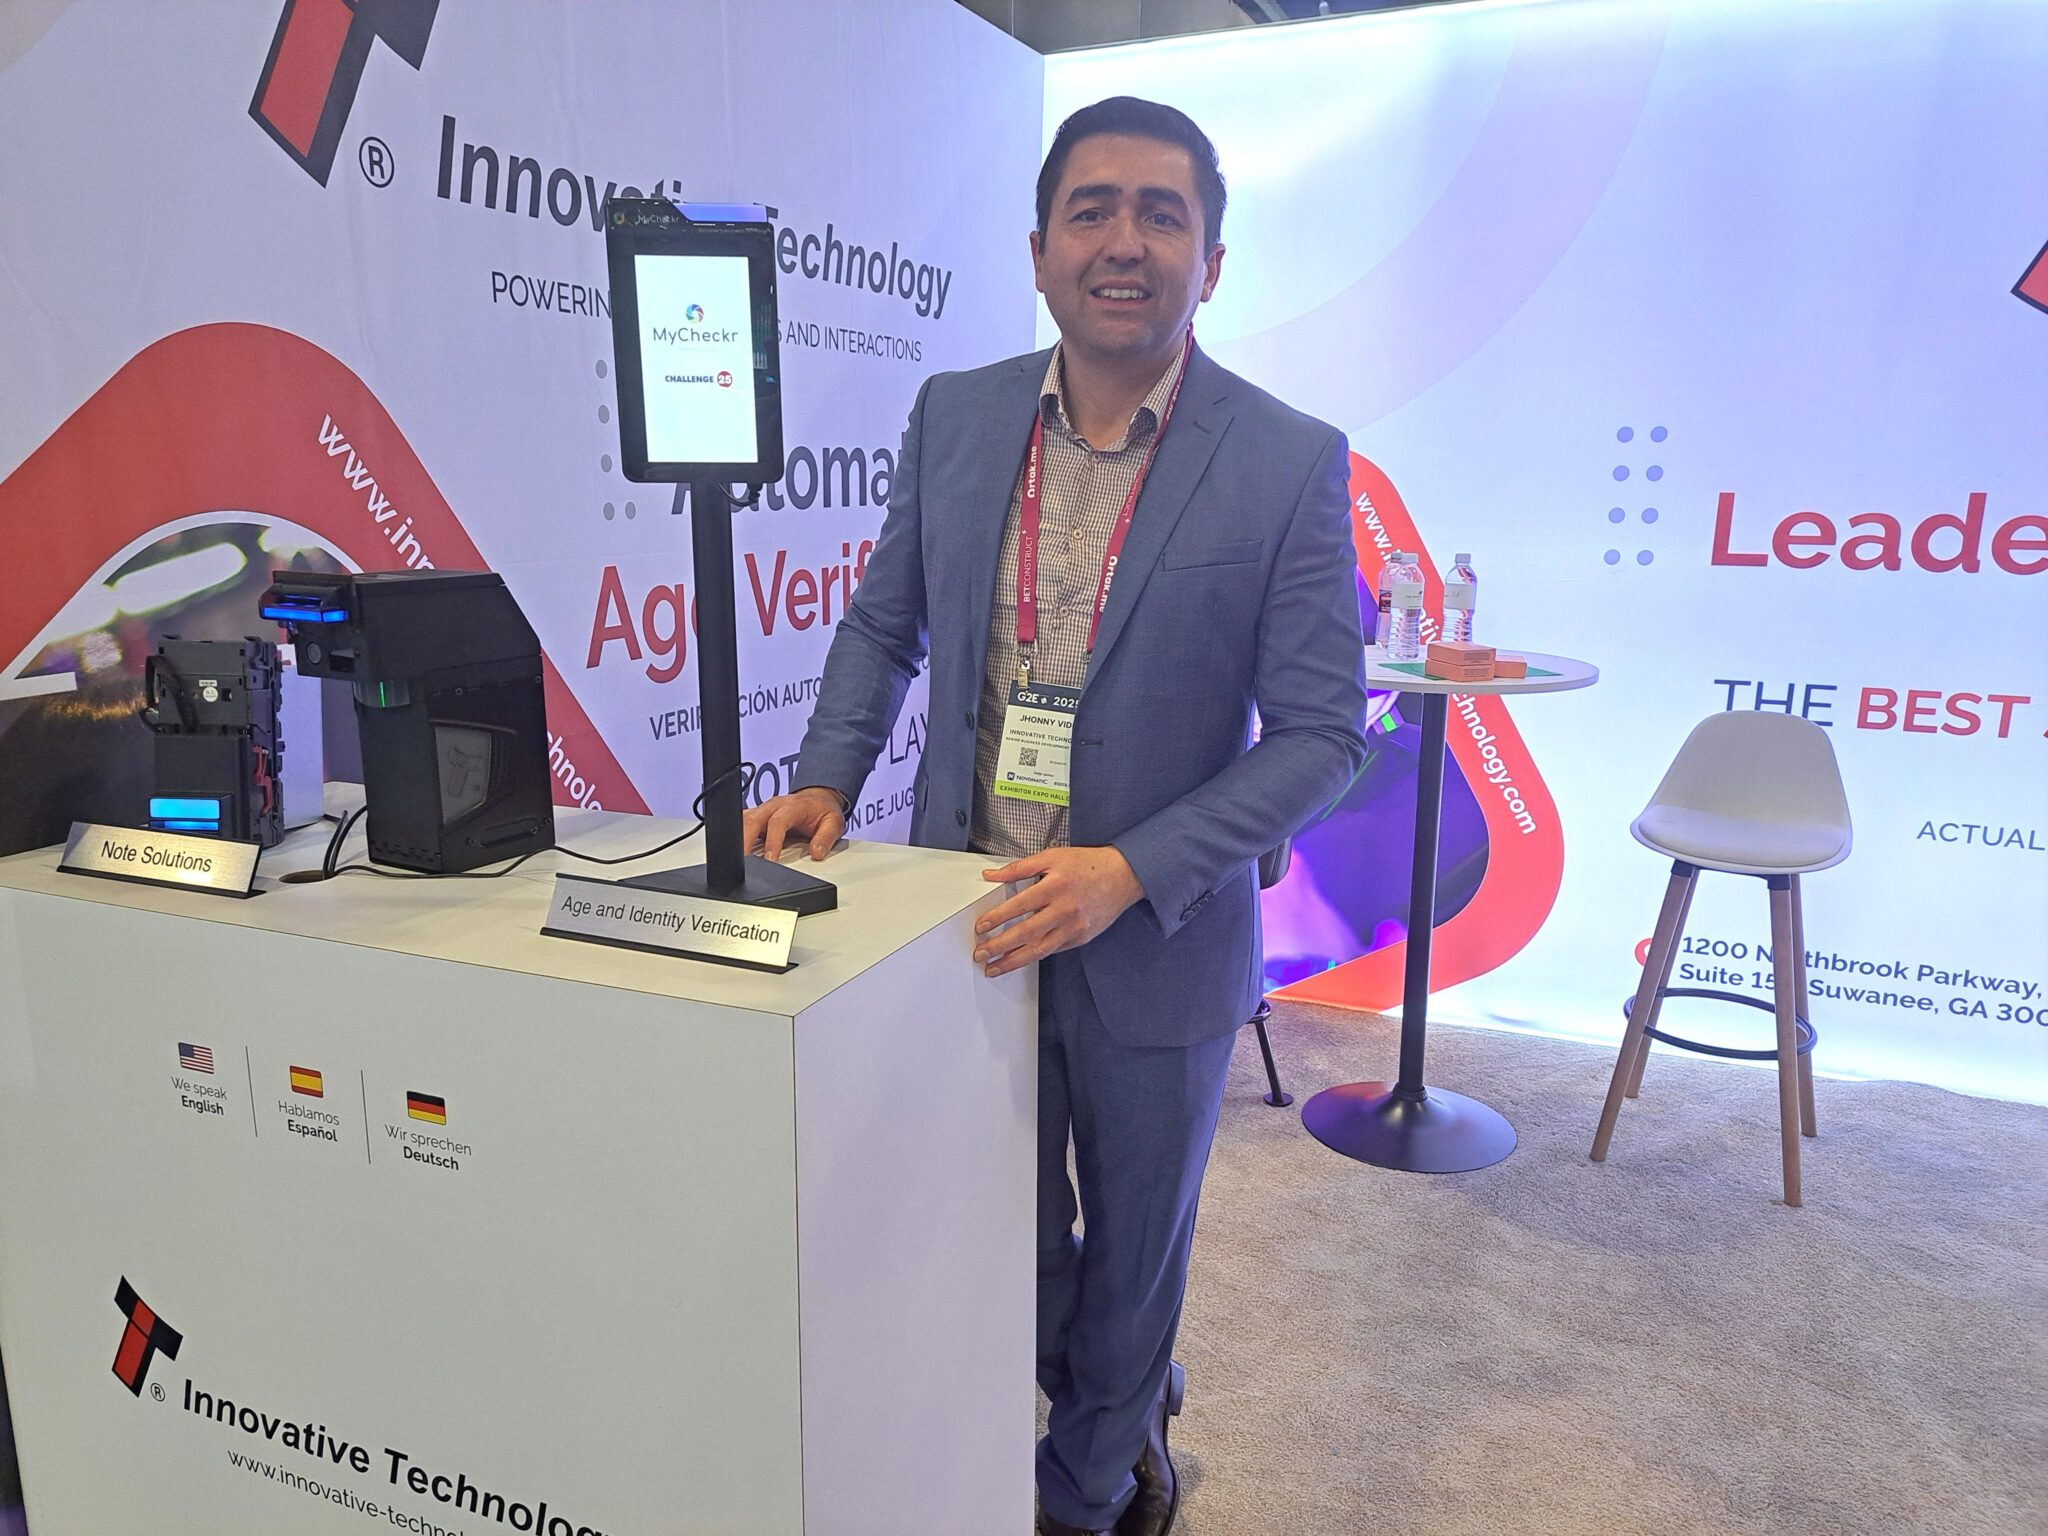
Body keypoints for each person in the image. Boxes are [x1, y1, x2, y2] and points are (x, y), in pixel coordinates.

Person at [743, 96, 1367, 1536]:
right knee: (1003, 1231)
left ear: (1213, 261)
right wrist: (830, 772)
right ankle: (1124, 1393)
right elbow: (884, 622)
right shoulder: (958, 416)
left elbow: (1324, 734)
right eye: (1092, 210)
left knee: (1138, 1245)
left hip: (1158, 933)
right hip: (966, 919)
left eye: (1162, 214)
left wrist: (1131, 869)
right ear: (1039, 251)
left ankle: (1085, 1489)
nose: (1123, 242)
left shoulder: (1285, 458)